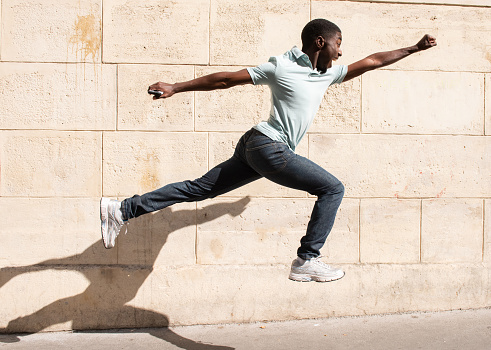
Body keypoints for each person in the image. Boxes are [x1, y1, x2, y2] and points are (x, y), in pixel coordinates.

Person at [101, 19, 437, 282]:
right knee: (332, 188)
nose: (340, 52)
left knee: (198, 189)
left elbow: (374, 60)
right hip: (268, 146)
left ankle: (122, 209)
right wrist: (177, 86)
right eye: (338, 44)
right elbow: (227, 79)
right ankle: (307, 259)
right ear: (321, 41)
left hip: (255, 147)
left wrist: (414, 48)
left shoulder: (327, 75)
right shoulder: (281, 67)